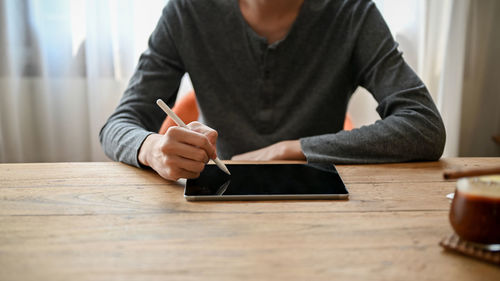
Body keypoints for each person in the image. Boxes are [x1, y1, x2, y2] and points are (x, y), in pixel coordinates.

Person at [100, 0, 446, 181]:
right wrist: (153, 148)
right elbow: (119, 124)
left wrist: (290, 149)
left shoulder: (353, 13)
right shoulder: (187, 11)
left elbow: (424, 126)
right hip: (219, 199)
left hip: (321, 205)